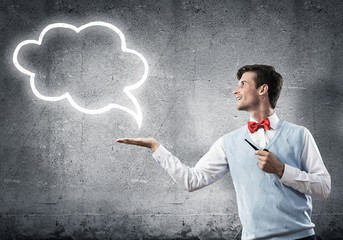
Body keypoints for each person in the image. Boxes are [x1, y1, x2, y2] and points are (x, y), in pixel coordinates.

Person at [116, 64, 331, 240]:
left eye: (242, 84)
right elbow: (192, 180)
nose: (235, 91)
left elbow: (324, 187)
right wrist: (156, 147)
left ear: (263, 89)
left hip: (301, 238)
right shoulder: (228, 142)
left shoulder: (300, 135)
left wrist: (282, 170)